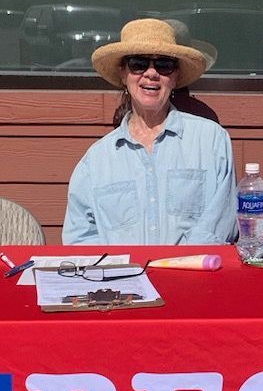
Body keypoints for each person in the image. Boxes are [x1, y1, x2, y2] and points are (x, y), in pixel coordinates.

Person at [62, 18, 235, 245]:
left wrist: (177, 268)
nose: (151, 73)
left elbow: (222, 224)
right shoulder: (96, 160)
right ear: (123, 74)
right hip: (120, 280)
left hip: (193, 276)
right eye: (138, 63)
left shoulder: (212, 141)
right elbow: (80, 238)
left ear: (175, 77)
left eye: (164, 65)